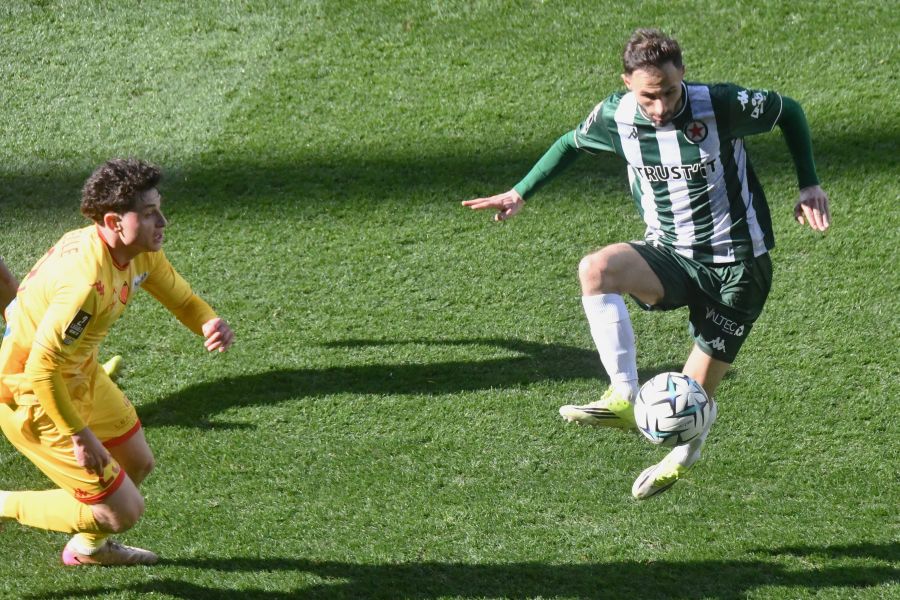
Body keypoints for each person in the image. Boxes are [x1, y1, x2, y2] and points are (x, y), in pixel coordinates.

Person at [463, 29, 830, 499]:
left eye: (670, 92)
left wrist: (808, 184)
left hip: (738, 269)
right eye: (648, 97)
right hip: (670, 253)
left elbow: (788, 111)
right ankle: (622, 394)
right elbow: (571, 143)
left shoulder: (719, 105)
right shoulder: (617, 115)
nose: (660, 107)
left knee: (692, 397)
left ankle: (679, 459)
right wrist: (520, 192)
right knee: (596, 270)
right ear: (627, 84)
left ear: (683, 75)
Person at [0, 158, 234, 565]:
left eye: (160, 208)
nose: (163, 222)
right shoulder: (85, 284)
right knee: (122, 512)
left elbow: (182, 299)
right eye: (149, 213)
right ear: (113, 222)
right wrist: (80, 435)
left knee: (137, 462)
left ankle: (87, 549)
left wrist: (207, 322)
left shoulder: (137, 252)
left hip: (80, 372)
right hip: (32, 396)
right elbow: (40, 368)